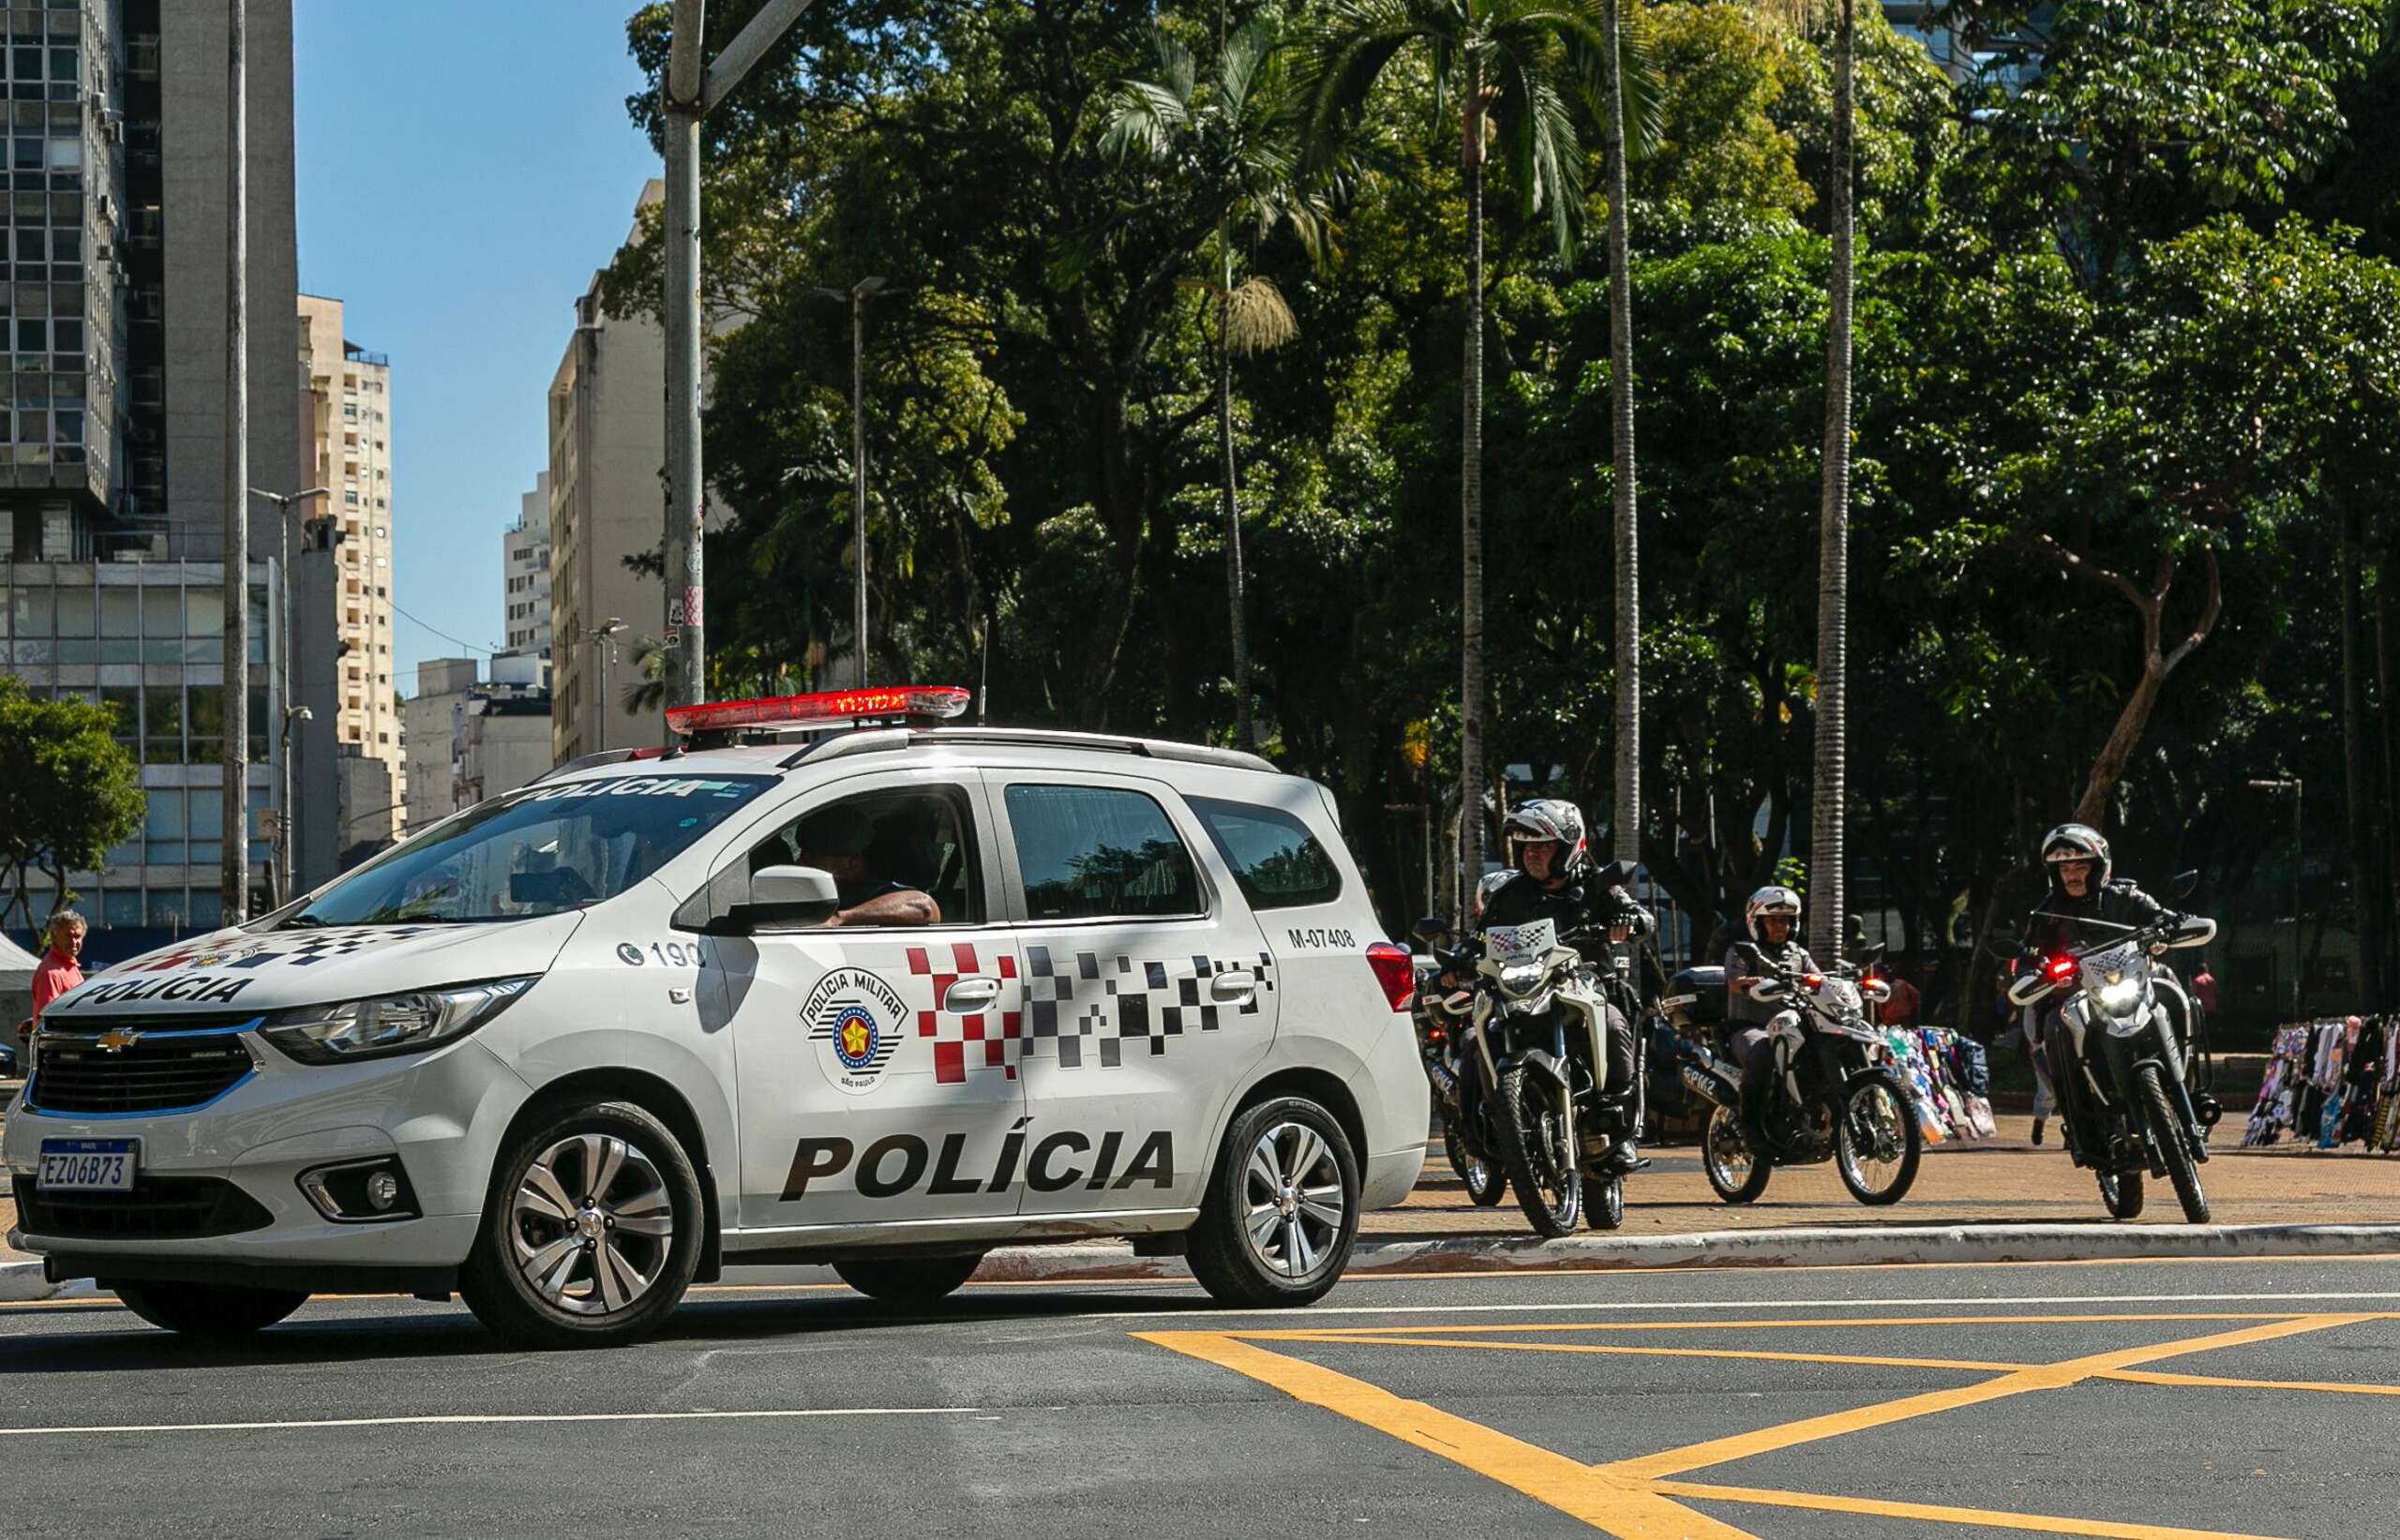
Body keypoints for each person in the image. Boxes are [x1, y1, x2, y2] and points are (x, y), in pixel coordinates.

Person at [1478, 799, 1651, 1168]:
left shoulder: (1597, 885)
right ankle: (1495, 1127)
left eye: (1543, 845)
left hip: (1585, 985)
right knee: (1481, 1036)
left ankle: (1617, 1127)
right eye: (1527, 846)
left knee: (1613, 1024)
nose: (1532, 854)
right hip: (1526, 991)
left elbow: (1642, 918)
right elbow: (1480, 937)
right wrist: (1460, 955)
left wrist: (1629, 920)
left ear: (1570, 845)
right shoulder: (1510, 894)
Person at [2018, 822, 2199, 1152]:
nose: (2072, 875)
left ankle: (2193, 1087)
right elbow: (2028, 956)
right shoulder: (2044, 914)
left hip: (2133, 984)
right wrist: (2037, 973)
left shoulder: (2126, 896)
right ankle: (2079, 1124)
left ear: (2099, 867)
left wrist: (2171, 925)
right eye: (2065, 868)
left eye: (2081, 866)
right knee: (2053, 1025)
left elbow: (2161, 915)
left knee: (2173, 988)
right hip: (2077, 997)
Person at [1724, 885, 1818, 1140]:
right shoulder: (1742, 951)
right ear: (1758, 922)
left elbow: (1817, 980)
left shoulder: (1799, 954)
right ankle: (1750, 1125)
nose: (1781, 926)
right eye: (1774, 920)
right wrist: (1751, 982)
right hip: (1751, 1027)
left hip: (1792, 1026)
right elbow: (1735, 981)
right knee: (1764, 1050)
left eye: (1786, 921)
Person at [790, 808, 939, 927]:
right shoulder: (830, 889)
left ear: (852, 860)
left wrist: (839, 919)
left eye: (812, 858)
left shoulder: (877, 893)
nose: (801, 863)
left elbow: (925, 906)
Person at [23, 909, 87, 1057]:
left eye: (78, 936)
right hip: (60, 1055)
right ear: (54, 936)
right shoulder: (50, 973)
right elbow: (48, 1022)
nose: (74, 941)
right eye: (68, 935)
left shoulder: (70, 967)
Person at [1878, 963, 1921, 1028]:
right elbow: (1916, 994)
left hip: (1895, 1016)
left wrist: (1912, 1007)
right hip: (1896, 1016)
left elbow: (1916, 995)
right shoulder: (1901, 983)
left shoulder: (1901, 984)